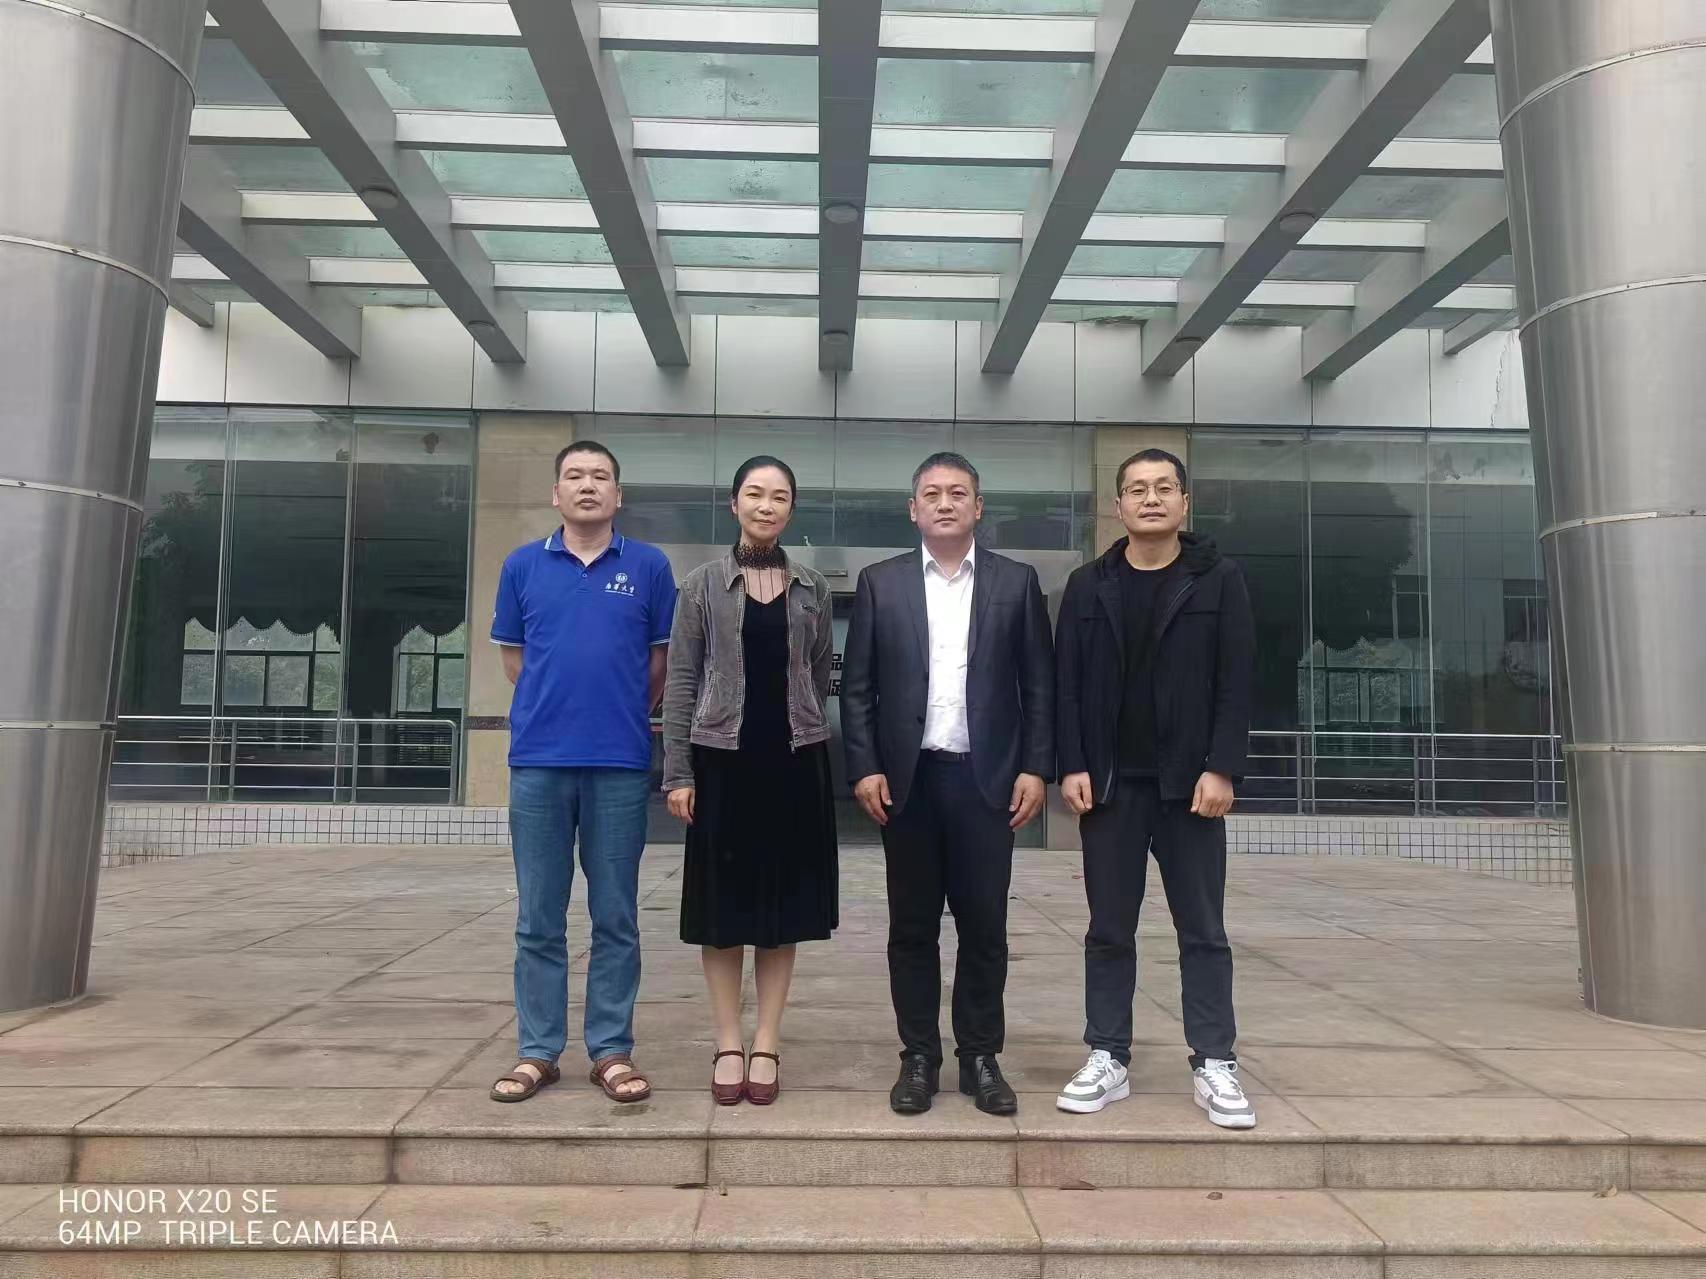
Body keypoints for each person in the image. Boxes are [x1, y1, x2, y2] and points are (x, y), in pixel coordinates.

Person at [841, 452, 1054, 1116]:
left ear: (978, 507)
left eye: (957, 492)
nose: (944, 502)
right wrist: (864, 765)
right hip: (907, 783)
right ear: (913, 509)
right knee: (911, 926)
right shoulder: (881, 582)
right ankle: (919, 1057)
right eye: (931, 493)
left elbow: (1040, 686)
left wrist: (1035, 766)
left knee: (984, 924)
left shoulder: (1017, 582)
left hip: (986, 781)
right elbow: (858, 688)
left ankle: (980, 1056)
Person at [1052, 448, 1256, 1128]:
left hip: (1190, 786)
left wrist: (1223, 766)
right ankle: (1107, 1053)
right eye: (1137, 489)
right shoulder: (1089, 585)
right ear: (1118, 506)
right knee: (1109, 928)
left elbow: (1236, 680)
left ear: (1184, 502)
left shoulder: (1218, 580)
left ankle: (1215, 1059)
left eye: (1164, 487)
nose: (1151, 499)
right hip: (1111, 786)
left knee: (1203, 929)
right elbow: (1066, 682)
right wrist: (1071, 763)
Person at [487, 441, 676, 1105]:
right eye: (575, 475)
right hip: (539, 764)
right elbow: (515, 660)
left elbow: (658, 666)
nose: (587, 485)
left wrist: (614, 711)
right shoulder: (521, 566)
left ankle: (611, 1049)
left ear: (618, 495)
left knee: (615, 914)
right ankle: (538, 1051)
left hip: (619, 763)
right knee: (538, 916)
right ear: (556, 493)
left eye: (600, 476)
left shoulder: (649, 567)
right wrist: (557, 708)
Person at [661, 456, 838, 1106]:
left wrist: (802, 723)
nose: (767, 506)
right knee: (722, 912)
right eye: (755, 494)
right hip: (721, 761)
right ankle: (728, 1040)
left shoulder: (812, 587)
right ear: (734, 503)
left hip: (794, 762)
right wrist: (678, 770)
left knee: (781, 911)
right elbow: (682, 679)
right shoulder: (701, 586)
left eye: (779, 496)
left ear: (791, 508)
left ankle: (767, 1040)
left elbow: (818, 672)